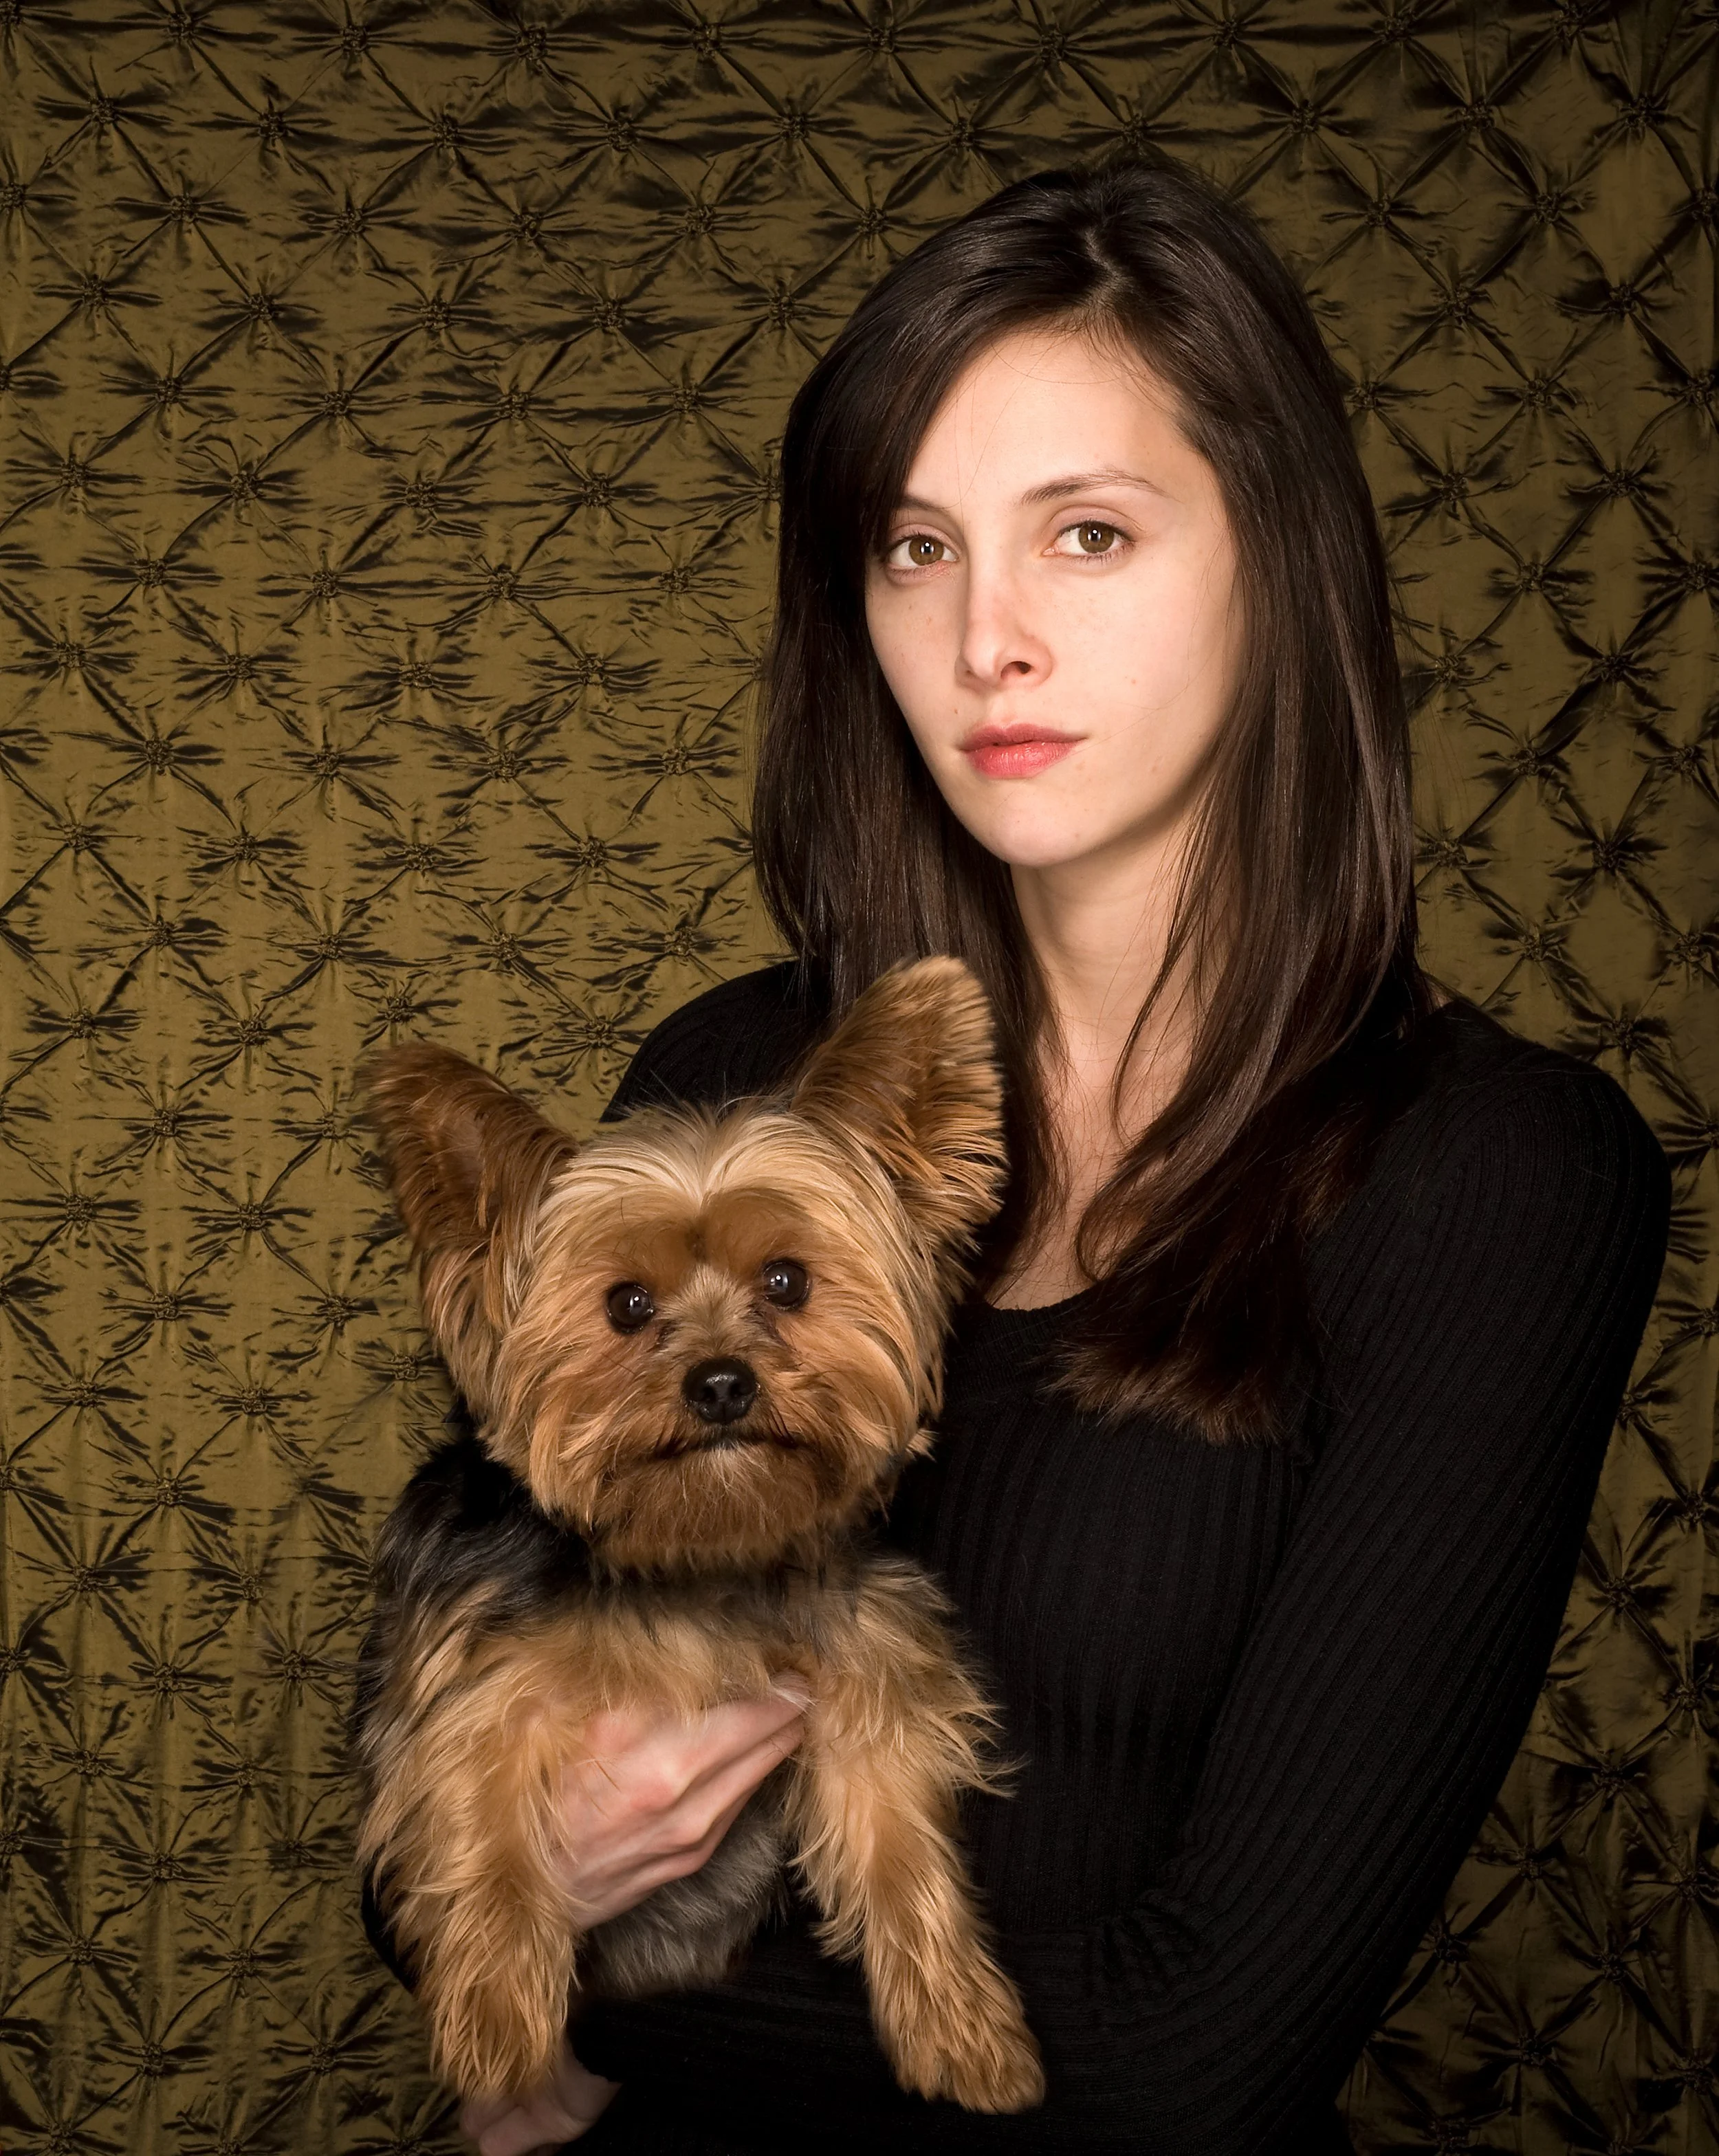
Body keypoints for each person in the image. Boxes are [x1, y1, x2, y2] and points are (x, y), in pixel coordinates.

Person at [364, 160, 1669, 2156]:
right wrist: (489, 1905)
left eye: (1085, 533)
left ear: (1279, 561)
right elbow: (429, 1792)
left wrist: (558, 2009)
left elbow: (1189, 2059)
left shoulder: (1495, 1178)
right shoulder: (733, 1070)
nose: (987, 638)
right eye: (913, 548)